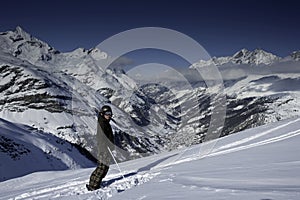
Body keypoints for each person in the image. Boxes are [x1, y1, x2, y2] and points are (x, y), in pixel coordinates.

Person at [86, 105, 115, 191]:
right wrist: (105, 147)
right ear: (102, 114)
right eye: (107, 113)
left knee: (104, 167)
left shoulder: (105, 122)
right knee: (102, 167)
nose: (109, 115)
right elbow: (101, 137)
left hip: (105, 148)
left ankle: (95, 182)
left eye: (110, 113)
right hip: (103, 149)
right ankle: (93, 185)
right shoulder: (103, 124)